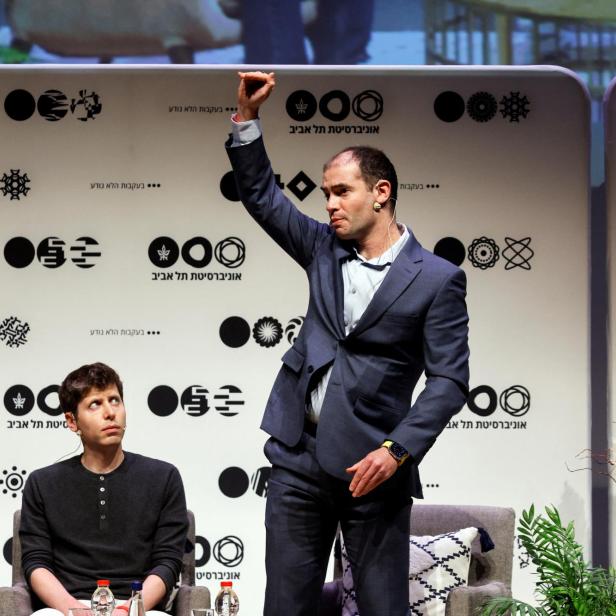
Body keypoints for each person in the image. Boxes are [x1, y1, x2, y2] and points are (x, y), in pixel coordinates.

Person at [225, 72, 470, 615]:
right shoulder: (321, 248)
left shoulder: (437, 279)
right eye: (326, 192)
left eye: (342, 191)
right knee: (286, 605)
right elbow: (263, 197)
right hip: (298, 458)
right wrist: (246, 120)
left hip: (373, 464)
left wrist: (397, 449)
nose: (329, 203)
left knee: (383, 607)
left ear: (381, 194)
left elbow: (451, 380)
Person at [19, 363, 188, 616]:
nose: (110, 412)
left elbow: (167, 562)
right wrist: (74, 609)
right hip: (67, 607)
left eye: (115, 400)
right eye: (95, 404)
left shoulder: (164, 477)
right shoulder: (42, 483)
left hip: (138, 606)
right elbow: (36, 564)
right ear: (72, 421)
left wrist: (129, 609)